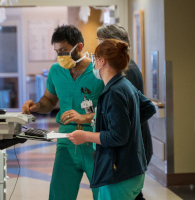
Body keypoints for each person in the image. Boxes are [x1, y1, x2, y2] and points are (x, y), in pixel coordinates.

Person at [22, 25, 104, 200]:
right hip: (66, 140)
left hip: (95, 140)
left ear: (79, 47)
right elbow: (49, 101)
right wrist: (36, 106)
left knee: (103, 194)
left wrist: (85, 117)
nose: (60, 56)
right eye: (57, 51)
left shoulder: (98, 72)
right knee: (60, 194)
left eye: (64, 51)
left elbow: (111, 110)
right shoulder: (56, 71)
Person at [67, 39, 156, 200]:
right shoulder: (125, 84)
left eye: (95, 59)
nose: (93, 64)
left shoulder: (113, 92)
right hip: (134, 171)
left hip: (119, 173)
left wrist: (85, 136)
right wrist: (127, 125)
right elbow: (149, 107)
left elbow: (117, 136)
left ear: (102, 61)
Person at [96, 24, 153, 200]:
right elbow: (146, 107)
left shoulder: (121, 79)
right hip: (132, 155)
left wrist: (124, 126)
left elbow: (119, 132)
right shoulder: (124, 75)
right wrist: (129, 123)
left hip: (125, 158)